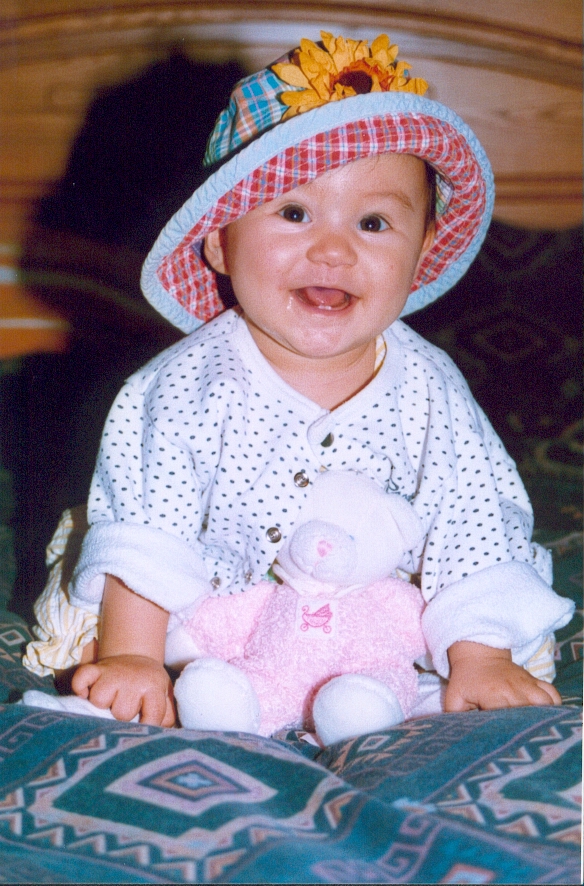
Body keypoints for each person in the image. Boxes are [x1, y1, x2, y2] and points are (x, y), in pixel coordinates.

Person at [23, 32, 573, 730]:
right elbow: (149, 524)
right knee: (98, 597)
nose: (334, 249)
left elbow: (474, 518)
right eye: (293, 213)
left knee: (507, 638)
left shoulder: (431, 388)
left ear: (421, 252)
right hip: (215, 604)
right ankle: (205, 683)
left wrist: (482, 655)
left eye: (373, 222)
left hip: (372, 613)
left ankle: (385, 688)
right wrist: (133, 655)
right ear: (219, 240)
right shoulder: (184, 385)